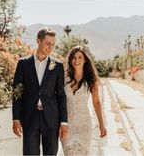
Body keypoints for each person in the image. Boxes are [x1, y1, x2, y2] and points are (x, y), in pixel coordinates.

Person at [12, 27, 68, 155]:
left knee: (51, 153)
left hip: (51, 118)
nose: (50, 47)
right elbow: (17, 93)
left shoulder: (58, 66)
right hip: (30, 116)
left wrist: (64, 122)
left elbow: (61, 95)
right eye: (48, 43)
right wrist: (15, 118)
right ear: (38, 41)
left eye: (53, 44)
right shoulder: (23, 64)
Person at [61, 45, 107, 155]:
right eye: (74, 57)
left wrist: (101, 124)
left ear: (85, 60)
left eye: (80, 57)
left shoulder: (91, 79)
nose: (76, 60)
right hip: (67, 126)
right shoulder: (64, 78)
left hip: (84, 125)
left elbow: (96, 102)